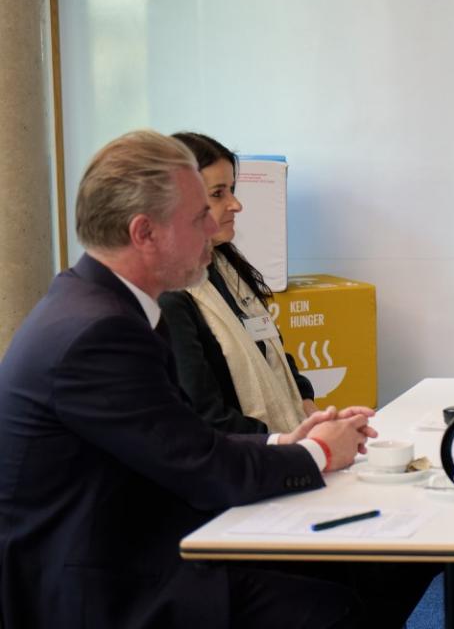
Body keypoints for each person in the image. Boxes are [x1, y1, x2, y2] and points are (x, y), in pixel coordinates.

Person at [0, 130, 410, 627]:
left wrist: (286, 442)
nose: (214, 225)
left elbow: (183, 440)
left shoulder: (105, 304)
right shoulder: (102, 332)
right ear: (145, 233)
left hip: (130, 543)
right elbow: (197, 462)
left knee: (360, 574)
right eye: (199, 216)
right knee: (333, 607)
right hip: (103, 583)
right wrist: (318, 452)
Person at [159, 131, 316, 434]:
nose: (236, 204)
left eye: (232, 190)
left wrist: (307, 408)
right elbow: (205, 415)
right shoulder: (168, 296)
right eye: (218, 194)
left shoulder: (225, 263)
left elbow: (271, 350)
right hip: (241, 453)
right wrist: (284, 444)